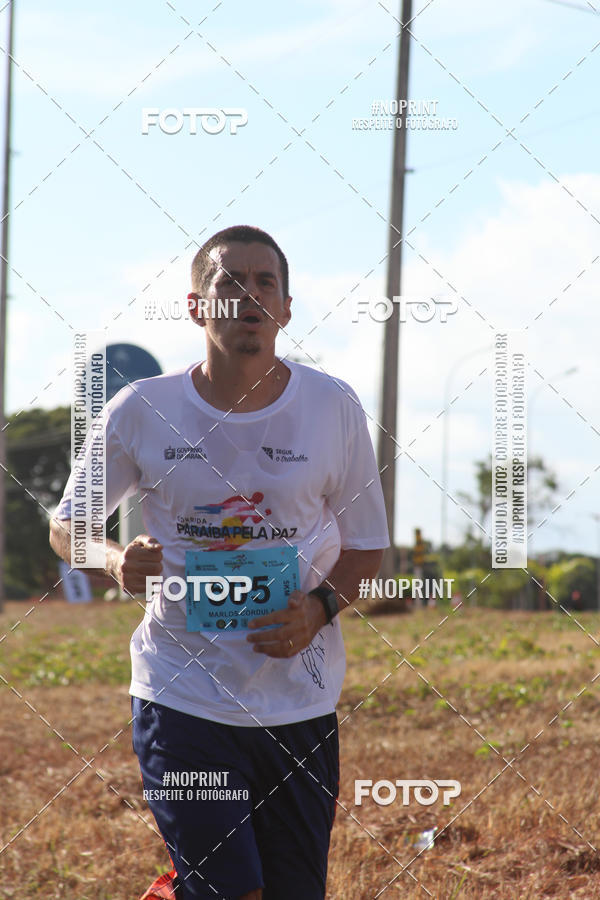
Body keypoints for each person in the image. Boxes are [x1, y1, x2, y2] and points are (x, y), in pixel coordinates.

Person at [49, 225, 389, 900]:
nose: (248, 295)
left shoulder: (332, 408)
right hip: (182, 693)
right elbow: (68, 526)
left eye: (265, 282)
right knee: (229, 889)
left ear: (286, 309)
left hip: (298, 699)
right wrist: (115, 560)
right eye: (228, 282)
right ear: (197, 306)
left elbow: (368, 546)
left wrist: (319, 609)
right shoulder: (143, 410)